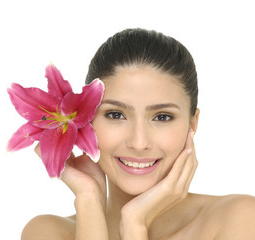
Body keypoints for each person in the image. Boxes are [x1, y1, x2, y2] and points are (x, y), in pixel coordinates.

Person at [21, 28, 255, 240]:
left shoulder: (240, 219)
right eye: (116, 115)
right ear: (86, 121)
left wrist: (135, 223)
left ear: (192, 124)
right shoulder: (47, 232)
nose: (139, 142)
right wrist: (89, 201)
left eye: (162, 117)